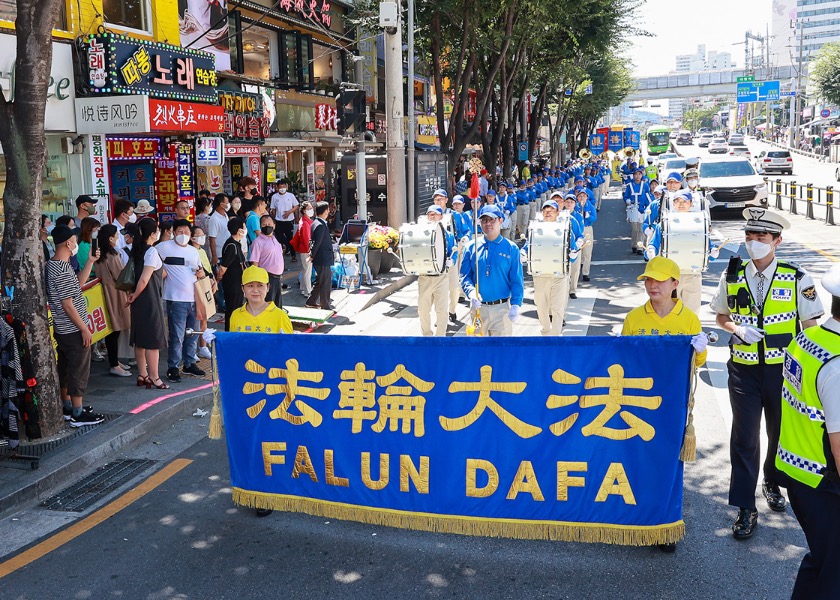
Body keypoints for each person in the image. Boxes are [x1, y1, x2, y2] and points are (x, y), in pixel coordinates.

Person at [710, 208, 824, 540]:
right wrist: (736, 328)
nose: (753, 243)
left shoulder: (796, 277)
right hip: (743, 369)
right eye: (749, 237)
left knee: (777, 431)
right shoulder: (732, 274)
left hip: (783, 372)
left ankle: (772, 480)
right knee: (744, 437)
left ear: (777, 240)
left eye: (761, 237)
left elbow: (811, 326)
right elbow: (720, 316)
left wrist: (808, 369)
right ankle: (746, 507)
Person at [621, 255, 709, 553]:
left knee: (668, 465)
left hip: (673, 404)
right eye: (648, 279)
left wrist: (700, 350)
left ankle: (665, 523)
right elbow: (623, 361)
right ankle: (640, 515)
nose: (652, 285)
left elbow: (696, 362)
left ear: (675, 283)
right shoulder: (634, 318)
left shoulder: (688, 319)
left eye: (659, 279)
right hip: (637, 402)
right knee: (639, 459)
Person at [775, 264, 840, 599]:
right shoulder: (838, 364)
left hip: (798, 472)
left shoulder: (808, 338)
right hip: (825, 483)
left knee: (822, 561)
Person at [45, 225, 104, 426]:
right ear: (68, 243)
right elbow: (68, 305)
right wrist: (84, 328)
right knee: (78, 370)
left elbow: (77, 285)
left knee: (66, 368)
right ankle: (77, 414)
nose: (76, 243)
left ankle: (68, 406)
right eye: (74, 239)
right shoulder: (60, 268)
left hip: (64, 329)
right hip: (72, 328)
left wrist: (90, 262)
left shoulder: (55, 264)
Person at [644, 189, 720, 314]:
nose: (681, 204)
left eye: (684, 201)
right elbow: (654, 244)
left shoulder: (699, 222)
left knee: (692, 309)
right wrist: (651, 251)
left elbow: (706, 245)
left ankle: (691, 332)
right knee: (670, 309)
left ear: (691, 204)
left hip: (693, 274)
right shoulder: (664, 223)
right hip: (670, 276)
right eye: (677, 201)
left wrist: (712, 252)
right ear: (673, 204)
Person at [459, 204, 524, 337]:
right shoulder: (471, 247)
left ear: (500, 220)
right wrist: (471, 293)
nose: (487, 223)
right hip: (478, 309)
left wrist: (516, 304)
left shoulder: (511, 248)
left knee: (501, 354)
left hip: (501, 310)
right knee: (479, 353)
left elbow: (517, 280)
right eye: (484, 220)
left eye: (492, 219)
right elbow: (465, 276)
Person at [156, 219, 206, 383]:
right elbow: (152, 263)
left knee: (192, 334)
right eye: (179, 231)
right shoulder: (163, 247)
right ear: (173, 232)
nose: (183, 235)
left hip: (194, 299)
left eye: (186, 232)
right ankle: (173, 367)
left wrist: (201, 275)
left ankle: (189, 362)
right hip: (176, 299)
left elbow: (200, 271)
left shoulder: (193, 251)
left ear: (190, 234)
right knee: (177, 335)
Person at [525, 196, 581, 335]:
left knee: (557, 307)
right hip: (540, 275)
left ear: (557, 212)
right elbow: (528, 246)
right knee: (541, 306)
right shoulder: (535, 229)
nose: (548, 213)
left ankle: (556, 335)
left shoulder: (565, 228)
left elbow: (573, 249)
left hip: (559, 275)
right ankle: (545, 331)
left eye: (551, 210)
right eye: (545, 211)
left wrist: (573, 255)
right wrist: (522, 253)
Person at [127, 219, 169, 390]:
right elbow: (145, 279)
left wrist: (132, 296)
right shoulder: (151, 251)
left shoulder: (136, 249)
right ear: (152, 234)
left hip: (138, 299)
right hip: (149, 298)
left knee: (140, 338)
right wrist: (135, 295)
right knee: (153, 338)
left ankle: (142, 374)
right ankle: (154, 377)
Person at [94, 224, 133, 377]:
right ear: (110, 238)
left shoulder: (99, 254)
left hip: (105, 291)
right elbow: (121, 275)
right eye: (116, 235)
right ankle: (114, 364)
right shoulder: (112, 255)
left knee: (112, 329)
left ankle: (115, 361)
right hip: (115, 292)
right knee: (115, 329)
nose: (118, 237)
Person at [417, 205, 456, 336]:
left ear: (441, 216)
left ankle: (440, 337)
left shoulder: (448, 235)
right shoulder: (421, 232)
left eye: (436, 214)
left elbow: (453, 251)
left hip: (441, 276)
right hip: (424, 277)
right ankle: (426, 336)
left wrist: (452, 260)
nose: (433, 216)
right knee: (423, 309)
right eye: (430, 214)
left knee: (442, 310)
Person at [249, 214, 286, 308]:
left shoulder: (275, 239)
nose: (267, 226)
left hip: (277, 278)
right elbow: (254, 263)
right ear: (260, 226)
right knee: (268, 305)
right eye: (264, 224)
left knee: (277, 306)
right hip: (267, 278)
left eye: (269, 224)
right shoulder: (257, 242)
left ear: (274, 225)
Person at [218, 217, 248, 331]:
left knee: (236, 308)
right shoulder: (231, 245)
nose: (245, 230)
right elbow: (223, 267)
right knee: (233, 309)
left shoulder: (236, 243)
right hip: (232, 284)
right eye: (244, 228)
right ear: (239, 230)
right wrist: (218, 279)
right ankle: (230, 331)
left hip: (238, 283)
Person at [190, 225, 214, 360]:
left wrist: (213, 280)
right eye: (199, 234)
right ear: (192, 237)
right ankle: (192, 349)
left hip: (206, 285)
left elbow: (208, 268)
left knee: (205, 316)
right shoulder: (191, 251)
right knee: (195, 319)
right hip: (197, 287)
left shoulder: (202, 251)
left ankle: (203, 347)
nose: (202, 236)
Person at [305, 201, 334, 310]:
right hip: (322, 257)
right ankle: (325, 305)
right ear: (326, 211)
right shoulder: (320, 225)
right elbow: (317, 242)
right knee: (325, 282)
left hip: (321, 257)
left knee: (320, 280)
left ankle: (311, 301)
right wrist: (312, 255)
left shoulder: (315, 222)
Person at [623, 167, 652, 255]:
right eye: (636, 174)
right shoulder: (629, 185)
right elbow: (626, 196)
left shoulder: (645, 185)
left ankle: (640, 247)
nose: (637, 176)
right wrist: (627, 200)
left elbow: (648, 196)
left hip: (642, 208)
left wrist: (648, 206)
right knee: (635, 229)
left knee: (641, 228)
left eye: (639, 174)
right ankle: (634, 245)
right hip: (632, 208)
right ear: (633, 175)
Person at [269, 179, 299, 260]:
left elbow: (296, 206)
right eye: (280, 187)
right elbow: (273, 208)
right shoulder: (274, 197)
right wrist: (274, 219)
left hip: (289, 221)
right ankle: (283, 250)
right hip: (279, 220)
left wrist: (289, 212)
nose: (282, 188)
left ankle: (293, 255)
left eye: (283, 186)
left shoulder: (291, 196)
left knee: (290, 237)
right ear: (277, 187)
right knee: (279, 238)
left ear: (286, 186)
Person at [291, 201, 314, 297]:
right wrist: (310, 250)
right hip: (306, 249)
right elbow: (306, 238)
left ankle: (303, 288)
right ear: (304, 211)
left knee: (305, 270)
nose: (311, 210)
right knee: (307, 271)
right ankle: (308, 290)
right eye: (309, 208)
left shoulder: (304, 221)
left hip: (304, 249)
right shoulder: (305, 223)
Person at [207, 193, 231, 269]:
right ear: (221, 204)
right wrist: (214, 255)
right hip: (219, 254)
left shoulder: (225, 215)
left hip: (226, 251)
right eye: (227, 202)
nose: (228, 204)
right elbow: (212, 238)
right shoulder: (214, 219)